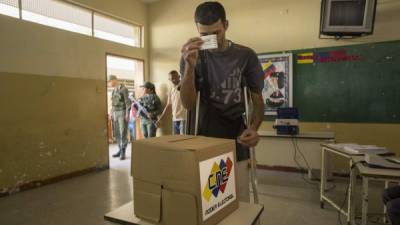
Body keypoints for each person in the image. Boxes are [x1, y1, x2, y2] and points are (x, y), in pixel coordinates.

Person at [180, 1, 264, 202]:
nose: (211, 40)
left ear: (226, 25)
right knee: (210, 199)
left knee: (239, 198)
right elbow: (188, 104)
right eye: (204, 35)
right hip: (203, 134)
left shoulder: (246, 56)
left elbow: (257, 99)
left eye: (216, 33)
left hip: (236, 133)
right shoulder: (191, 54)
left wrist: (254, 127)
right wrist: (190, 67)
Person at [156, 70, 186, 135]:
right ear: (169, 79)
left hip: (184, 119)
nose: (174, 80)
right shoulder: (171, 89)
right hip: (175, 119)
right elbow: (168, 105)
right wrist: (160, 119)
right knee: (175, 141)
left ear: (179, 76)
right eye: (172, 78)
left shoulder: (184, 86)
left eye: (175, 77)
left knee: (183, 141)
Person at [109, 75, 131, 160]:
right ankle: (119, 149)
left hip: (122, 112)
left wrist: (127, 114)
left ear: (114, 80)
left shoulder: (124, 89)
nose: (109, 84)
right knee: (117, 133)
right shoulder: (114, 91)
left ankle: (123, 152)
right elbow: (113, 104)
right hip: (115, 113)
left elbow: (127, 102)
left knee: (123, 132)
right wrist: (111, 113)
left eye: (110, 81)